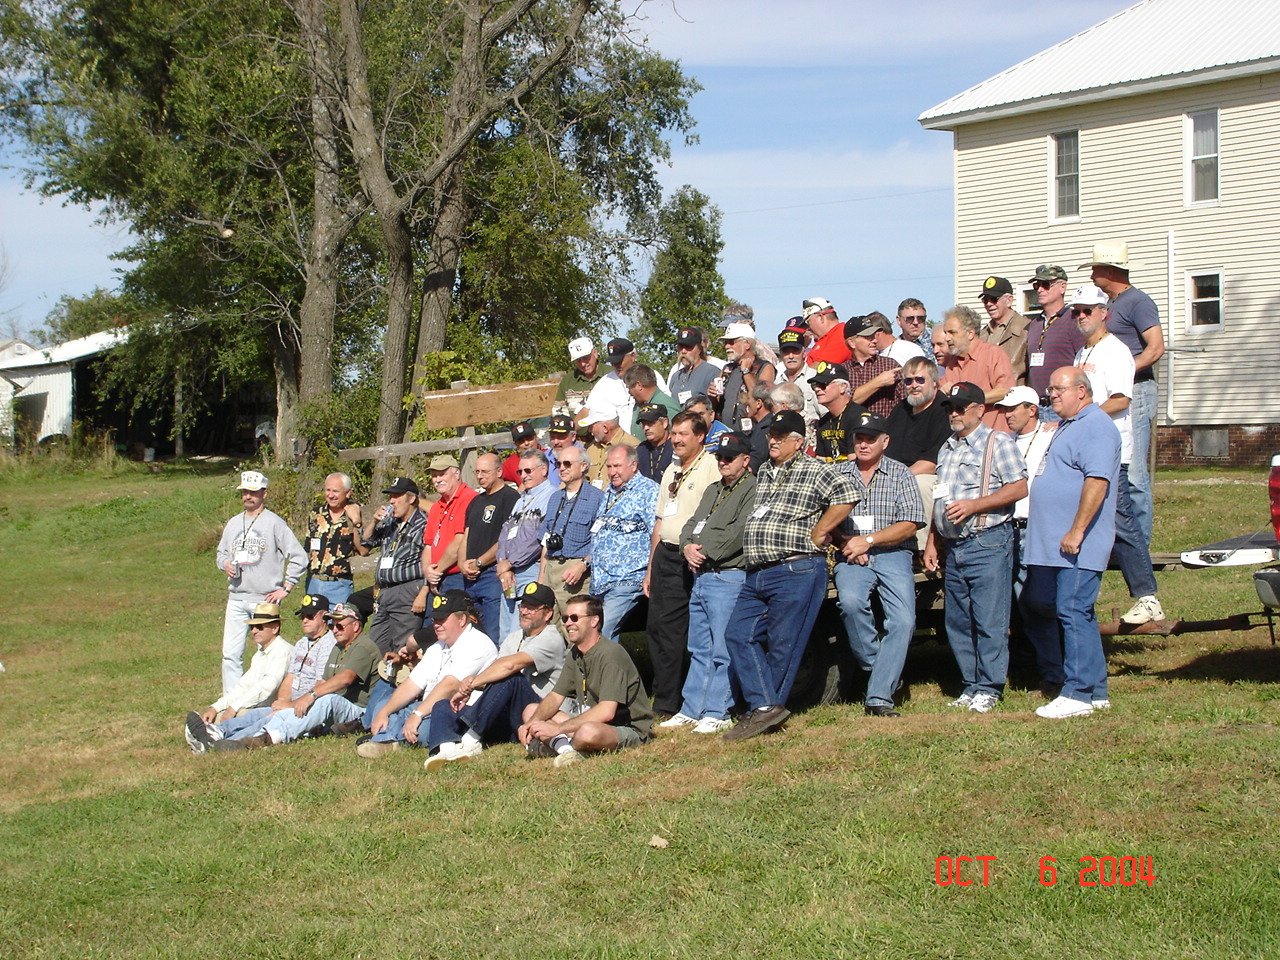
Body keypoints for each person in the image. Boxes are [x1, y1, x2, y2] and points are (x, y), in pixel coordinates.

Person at [723, 410, 857, 741]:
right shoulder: (766, 471)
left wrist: (821, 530)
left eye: (781, 436)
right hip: (758, 571)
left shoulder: (815, 469)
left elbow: (849, 493)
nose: (773, 440)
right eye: (771, 434)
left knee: (784, 643)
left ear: (798, 442)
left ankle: (764, 710)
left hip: (795, 566)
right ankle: (766, 707)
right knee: (739, 634)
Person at [923, 383, 1028, 713]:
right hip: (954, 546)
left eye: (960, 407)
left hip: (989, 541)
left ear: (979, 410)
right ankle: (971, 684)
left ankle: (990, 686)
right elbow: (940, 496)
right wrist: (932, 541)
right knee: (958, 620)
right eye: (949, 407)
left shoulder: (998, 443)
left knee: (988, 619)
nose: (953, 412)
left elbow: (1019, 487)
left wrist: (976, 505)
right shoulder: (947, 448)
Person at [1022, 368, 1121, 719]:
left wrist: (1077, 530)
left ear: (1082, 391)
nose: (1051, 395)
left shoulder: (1096, 426)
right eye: (1048, 389)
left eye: (1057, 389)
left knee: (1072, 609)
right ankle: (1095, 689)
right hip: (1056, 544)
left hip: (1078, 542)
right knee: (1076, 611)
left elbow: (1097, 482)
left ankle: (1077, 692)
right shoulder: (1070, 425)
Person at [1070, 284, 1165, 626]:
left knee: (1123, 521)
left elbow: (1121, 400)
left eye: (1087, 310)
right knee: (1092, 523)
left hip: (1113, 450)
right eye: (1076, 311)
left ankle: (1147, 596)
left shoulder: (1116, 351)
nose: (1081, 316)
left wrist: (1080, 415)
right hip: (1086, 451)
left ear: (1103, 313)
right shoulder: (1082, 354)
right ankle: (1082, 598)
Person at [831, 413, 925, 717]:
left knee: (903, 621)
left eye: (870, 438)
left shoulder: (901, 474)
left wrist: (868, 541)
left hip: (894, 553)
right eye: (859, 437)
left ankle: (879, 697)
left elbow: (910, 524)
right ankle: (882, 671)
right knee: (850, 602)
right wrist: (847, 541)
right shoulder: (839, 473)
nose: (863, 443)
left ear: (885, 441)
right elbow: (823, 519)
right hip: (850, 553)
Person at [662, 431, 756, 734]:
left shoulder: (752, 489)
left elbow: (740, 532)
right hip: (702, 576)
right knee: (698, 646)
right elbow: (690, 523)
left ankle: (719, 709)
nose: (724, 462)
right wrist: (686, 546)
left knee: (721, 647)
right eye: (720, 457)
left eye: (730, 457)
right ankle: (692, 708)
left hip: (727, 575)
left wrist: (703, 550)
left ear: (745, 460)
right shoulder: (714, 489)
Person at [424, 582, 568, 768]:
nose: (524, 611)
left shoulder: (551, 638)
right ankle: (446, 749)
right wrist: (468, 687)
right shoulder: (514, 637)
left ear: (547, 613)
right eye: (522, 605)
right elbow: (494, 670)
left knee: (512, 678)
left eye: (531, 608)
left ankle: (471, 742)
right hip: (507, 715)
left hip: (537, 711)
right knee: (444, 704)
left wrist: (474, 682)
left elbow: (510, 666)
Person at [207, 600, 381, 751]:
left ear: (356, 626)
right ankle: (234, 740)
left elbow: (345, 678)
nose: (335, 629)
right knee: (280, 712)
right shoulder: (337, 647)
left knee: (324, 701)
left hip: (358, 711)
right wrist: (294, 703)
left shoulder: (363, 646)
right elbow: (322, 681)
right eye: (332, 625)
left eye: (340, 625)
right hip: (331, 705)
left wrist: (309, 696)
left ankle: (272, 737)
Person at [1084, 240, 1164, 547]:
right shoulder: (1110, 305)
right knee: (1113, 465)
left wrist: (1124, 370)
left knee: (1134, 472)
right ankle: (1118, 539)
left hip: (1137, 390)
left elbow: (1156, 347)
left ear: (1109, 269)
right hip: (1110, 394)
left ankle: (1139, 544)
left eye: (1095, 268)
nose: (1092, 274)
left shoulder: (1138, 302)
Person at [185, 594, 337, 751]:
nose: (305, 620)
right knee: (256, 715)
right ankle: (216, 733)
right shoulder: (300, 643)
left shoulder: (324, 644)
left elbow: (270, 687)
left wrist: (288, 705)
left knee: (259, 718)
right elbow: (286, 678)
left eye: (310, 616)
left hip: (305, 706)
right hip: (285, 703)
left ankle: (221, 743)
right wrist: (216, 707)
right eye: (303, 616)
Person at [356, 590, 497, 757]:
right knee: (385, 706)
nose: (437, 624)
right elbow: (413, 683)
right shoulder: (438, 646)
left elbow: (449, 686)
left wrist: (417, 714)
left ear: (462, 620)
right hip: (427, 706)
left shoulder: (478, 644)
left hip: (456, 711)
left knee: (424, 729)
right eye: (435, 619)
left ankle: (387, 740)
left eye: (442, 619)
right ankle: (390, 737)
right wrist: (385, 712)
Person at [518, 594, 654, 767]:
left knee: (587, 732)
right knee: (532, 711)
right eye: (566, 618)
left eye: (574, 618)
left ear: (594, 621)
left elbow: (607, 712)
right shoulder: (575, 653)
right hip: (587, 720)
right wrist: (530, 724)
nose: (568, 623)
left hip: (626, 728)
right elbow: (554, 697)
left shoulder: (611, 654)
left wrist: (557, 729)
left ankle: (557, 747)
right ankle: (569, 752)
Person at [644, 410, 718, 718]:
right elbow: (660, 520)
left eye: (683, 434)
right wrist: (650, 568)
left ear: (700, 436)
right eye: (673, 434)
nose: (675, 439)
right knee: (655, 628)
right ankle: (666, 695)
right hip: (665, 555)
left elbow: (715, 514)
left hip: (690, 556)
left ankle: (670, 703)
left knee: (677, 631)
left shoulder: (711, 467)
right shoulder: (670, 469)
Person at [215, 470, 308, 696]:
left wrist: (286, 587)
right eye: (245, 492)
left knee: (265, 655)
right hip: (236, 597)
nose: (248, 496)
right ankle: (232, 700)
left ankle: (260, 700)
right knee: (230, 654)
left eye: (253, 492)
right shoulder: (233, 523)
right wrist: (225, 562)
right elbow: (220, 553)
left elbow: (299, 557)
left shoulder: (275, 523)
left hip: (264, 600)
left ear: (263, 494)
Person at [183, 602, 293, 752]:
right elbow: (243, 687)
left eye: (259, 626)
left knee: (239, 714)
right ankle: (206, 740)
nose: (254, 631)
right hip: (254, 706)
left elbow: (266, 689)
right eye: (251, 627)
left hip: (267, 709)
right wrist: (215, 707)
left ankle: (212, 742)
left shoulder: (282, 652)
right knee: (214, 717)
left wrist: (233, 708)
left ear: (275, 628)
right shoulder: (260, 654)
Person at [590, 444, 659, 641]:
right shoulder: (609, 491)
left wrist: (650, 572)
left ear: (634, 465)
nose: (612, 472)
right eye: (609, 467)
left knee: (601, 633)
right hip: (600, 580)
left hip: (627, 579)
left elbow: (656, 532)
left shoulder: (648, 491)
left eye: (617, 466)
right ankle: (609, 672)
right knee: (596, 634)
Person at [995, 386, 1056, 603]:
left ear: (1032, 410)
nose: (1007, 415)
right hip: (1008, 527)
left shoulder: (1052, 435)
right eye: (1005, 410)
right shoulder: (1004, 441)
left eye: (1013, 409)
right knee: (1017, 599)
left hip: (1035, 527)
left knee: (1040, 598)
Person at [884, 356, 951, 549]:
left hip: (933, 475)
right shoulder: (901, 409)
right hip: (899, 474)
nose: (914, 385)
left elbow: (931, 462)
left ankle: (918, 549)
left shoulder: (944, 410)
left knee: (919, 484)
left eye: (920, 380)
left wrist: (898, 479)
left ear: (935, 381)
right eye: (908, 381)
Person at [362, 475, 427, 656]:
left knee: (402, 647)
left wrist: (423, 592)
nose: (392, 501)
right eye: (391, 496)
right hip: (384, 591)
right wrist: (374, 522)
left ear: (412, 498)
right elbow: (365, 543)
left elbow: (432, 562)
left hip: (407, 590)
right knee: (375, 646)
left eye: (397, 496)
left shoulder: (423, 525)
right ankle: (378, 681)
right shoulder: (390, 523)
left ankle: (400, 682)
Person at [495, 451, 555, 641]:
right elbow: (505, 533)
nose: (523, 475)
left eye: (528, 470)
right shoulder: (520, 500)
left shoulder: (552, 496)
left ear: (543, 470)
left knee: (519, 631)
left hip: (530, 569)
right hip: (508, 573)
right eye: (520, 472)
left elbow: (537, 540)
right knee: (504, 632)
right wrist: (502, 563)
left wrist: (510, 562)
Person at [459, 452, 519, 640]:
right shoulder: (476, 501)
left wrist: (479, 562)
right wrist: (462, 563)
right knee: (472, 633)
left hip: (492, 574)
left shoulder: (510, 498)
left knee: (494, 632)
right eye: (477, 472)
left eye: (485, 471)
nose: (479, 476)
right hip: (469, 577)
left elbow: (506, 539)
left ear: (499, 471)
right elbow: (466, 536)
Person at [539, 444, 605, 612]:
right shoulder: (555, 498)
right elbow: (546, 540)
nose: (561, 468)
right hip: (550, 570)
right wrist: (541, 577)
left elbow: (602, 541)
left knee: (575, 628)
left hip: (575, 574)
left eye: (567, 464)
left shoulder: (597, 498)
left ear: (583, 466)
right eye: (558, 464)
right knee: (550, 630)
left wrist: (583, 565)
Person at [938, 304, 1014, 430]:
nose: (947, 338)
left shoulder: (993, 354)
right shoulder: (951, 363)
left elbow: (1005, 391)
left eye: (952, 332)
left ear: (970, 333)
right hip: (963, 437)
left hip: (992, 434)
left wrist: (972, 398)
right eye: (946, 333)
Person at [417, 454, 476, 613]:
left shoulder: (468, 499)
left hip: (457, 578)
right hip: (436, 579)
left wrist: (436, 571)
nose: (437, 479)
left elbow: (459, 542)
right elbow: (428, 545)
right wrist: (428, 572)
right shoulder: (436, 507)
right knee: (432, 630)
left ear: (456, 474)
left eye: (442, 474)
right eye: (434, 476)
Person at [1024, 264, 1083, 423]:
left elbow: (1083, 363)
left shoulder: (1073, 320)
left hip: (1062, 406)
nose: (1040, 290)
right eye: (1037, 285)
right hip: (1036, 406)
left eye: (1046, 285)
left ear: (1062, 287)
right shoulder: (1034, 324)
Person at [303, 472, 366, 606]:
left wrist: (356, 521)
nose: (330, 495)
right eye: (328, 490)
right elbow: (307, 547)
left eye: (336, 491)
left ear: (348, 493)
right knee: (313, 625)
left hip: (339, 585)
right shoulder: (316, 513)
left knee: (338, 626)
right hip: (313, 583)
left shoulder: (355, 513)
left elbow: (363, 550)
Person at [713, 322, 776, 431]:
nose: (726, 346)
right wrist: (712, 395)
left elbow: (762, 397)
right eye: (726, 342)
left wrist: (746, 372)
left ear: (747, 344)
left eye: (731, 342)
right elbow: (717, 403)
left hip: (752, 434)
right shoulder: (727, 369)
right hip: (726, 434)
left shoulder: (765, 367)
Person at [843, 315, 904, 418]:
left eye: (874, 336)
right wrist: (880, 381)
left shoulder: (890, 365)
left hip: (886, 431)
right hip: (854, 432)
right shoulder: (843, 371)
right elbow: (845, 403)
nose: (874, 340)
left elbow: (906, 401)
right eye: (868, 337)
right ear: (852, 342)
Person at [978, 276, 1030, 385]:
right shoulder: (982, 335)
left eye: (993, 299)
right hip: (987, 398)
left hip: (1015, 398)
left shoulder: (1027, 329)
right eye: (985, 300)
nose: (988, 304)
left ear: (1009, 300)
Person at [811, 362, 869, 461]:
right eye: (815, 385)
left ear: (843, 387)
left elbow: (855, 463)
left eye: (823, 384)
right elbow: (820, 460)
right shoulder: (823, 422)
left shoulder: (859, 418)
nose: (817, 389)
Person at [582, 402, 638, 488]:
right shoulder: (592, 448)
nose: (589, 431)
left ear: (605, 428)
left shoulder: (633, 447)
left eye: (592, 426)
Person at [776, 327, 821, 428]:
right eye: (786, 352)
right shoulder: (777, 381)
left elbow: (825, 414)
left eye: (795, 351)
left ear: (804, 353)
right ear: (781, 354)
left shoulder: (815, 378)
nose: (791, 356)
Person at [668, 326, 722, 405]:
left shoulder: (712, 373)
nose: (683, 351)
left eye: (688, 347)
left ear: (700, 349)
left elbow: (718, 405)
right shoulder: (676, 376)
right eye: (680, 346)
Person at [623, 364, 678, 440]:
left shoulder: (665, 404)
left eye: (629, 388)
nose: (629, 392)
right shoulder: (639, 404)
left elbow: (676, 435)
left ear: (639, 385)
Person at [554, 336, 602, 419]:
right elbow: (558, 413)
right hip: (576, 431)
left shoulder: (611, 375)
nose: (583, 363)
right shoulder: (567, 381)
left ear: (595, 353)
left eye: (586, 358)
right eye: (578, 360)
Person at [501, 421, 560, 487]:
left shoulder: (550, 455)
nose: (526, 443)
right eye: (521, 441)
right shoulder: (510, 463)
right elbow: (496, 476)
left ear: (536, 437)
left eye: (529, 438)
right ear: (516, 444)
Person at [803, 296, 852, 366]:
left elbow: (820, 368)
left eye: (808, 322)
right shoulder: (827, 338)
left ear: (821, 317)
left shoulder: (841, 335)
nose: (807, 328)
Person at [635, 402, 673, 482]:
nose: (646, 428)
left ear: (664, 423)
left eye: (650, 423)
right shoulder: (641, 449)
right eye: (643, 424)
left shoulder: (675, 447)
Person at [744, 383, 777, 473]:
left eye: (749, 399)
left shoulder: (765, 429)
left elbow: (755, 463)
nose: (746, 402)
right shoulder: (761, 426)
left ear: (758, 403)